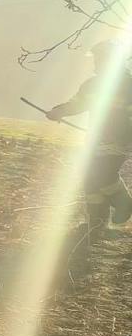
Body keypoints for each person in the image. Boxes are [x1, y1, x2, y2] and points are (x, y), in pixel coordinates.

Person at [46, 39, 132, 250]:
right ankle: (97, 222)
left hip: (119, 141)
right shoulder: (91, 85)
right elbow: (78, 103)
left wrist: (123, 134)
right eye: (95, 60)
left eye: (100, 60)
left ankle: (124, 203)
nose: (96, 65)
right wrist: (60, 111)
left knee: (103, 174)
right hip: (96, 139)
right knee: (89, 178)